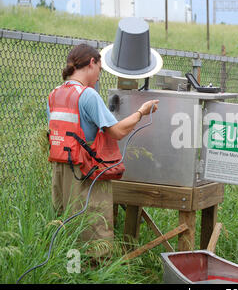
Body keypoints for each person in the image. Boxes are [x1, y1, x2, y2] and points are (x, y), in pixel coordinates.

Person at [47, 43, 159, 256]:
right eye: (99, 68)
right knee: (92, 230)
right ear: (91, 63)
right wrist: (141, 112)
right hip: (84, 174)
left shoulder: (54, 95)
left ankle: (72, 272)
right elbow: (116, 131)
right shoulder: (87, 95)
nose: (99, 75)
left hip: (60, 173)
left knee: (67, 230)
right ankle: (94, 275)